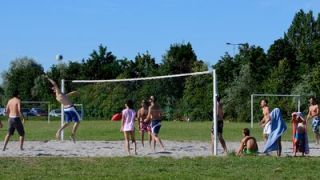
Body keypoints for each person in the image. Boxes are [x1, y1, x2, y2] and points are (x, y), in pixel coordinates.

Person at [46, 76, 81, 143]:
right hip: (71, 108)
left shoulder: (58, 96)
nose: (55, 87)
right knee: (77, 121)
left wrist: (73, 92)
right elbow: (54, 83)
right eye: (54, 88)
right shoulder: (58, 93)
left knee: (67, 123)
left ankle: (59, 131)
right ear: (54, 90)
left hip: (66, 110)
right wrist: (48, 78)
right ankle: (72, 135)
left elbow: (66, 96)